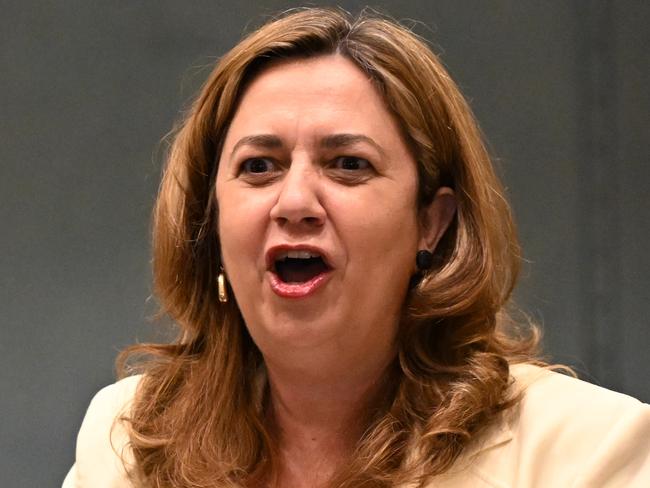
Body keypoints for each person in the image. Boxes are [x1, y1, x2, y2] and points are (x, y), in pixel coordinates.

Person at [63, 8, 650, 488]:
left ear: (432, 223)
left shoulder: (588, 452)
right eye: (259, 166)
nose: (293, 201)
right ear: (210, 220)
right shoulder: (124, 442)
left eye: (348, 164)